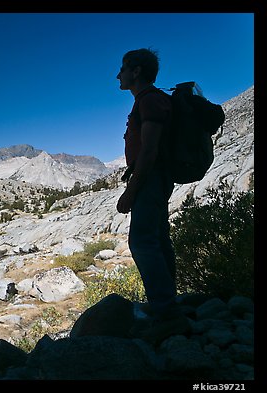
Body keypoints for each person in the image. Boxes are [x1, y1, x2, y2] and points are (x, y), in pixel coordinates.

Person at [116, 48, 190, 344]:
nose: (117, 74)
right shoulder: (149, 100)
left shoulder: (149, 100)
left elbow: (149, 150)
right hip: (156, 179)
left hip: (150, 179)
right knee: (159, 240)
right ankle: (168, 306)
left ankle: (167, 315)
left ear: (136, 71)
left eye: (122, 68)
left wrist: (131, 192)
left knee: (142, 242)